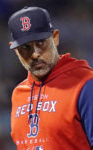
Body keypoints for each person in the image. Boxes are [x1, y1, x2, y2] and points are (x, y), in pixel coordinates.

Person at [8, 6, 93, 150]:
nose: (34, 54)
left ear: (55, 38)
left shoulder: (85, 84)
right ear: (15, 50)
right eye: (25, 48)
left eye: (40, 43)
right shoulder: (19, 94)